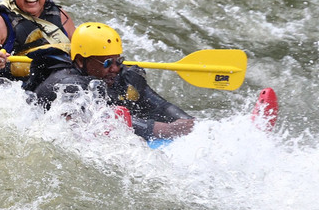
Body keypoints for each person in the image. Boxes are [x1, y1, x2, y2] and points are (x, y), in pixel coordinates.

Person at [24, 22, 195, 142]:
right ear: (81, 61)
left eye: (118, 61)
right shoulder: (67, 84)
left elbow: (160, 105)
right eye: (106, 63)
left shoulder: (121, 75)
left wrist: (187, 121)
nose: (115, 69)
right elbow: (105, 119)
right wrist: (165, 129)